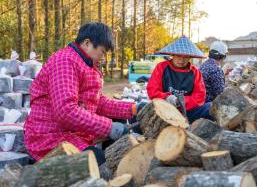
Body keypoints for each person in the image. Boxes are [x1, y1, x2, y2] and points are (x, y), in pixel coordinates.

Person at [24, 22, 137, 166]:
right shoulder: (65, 62)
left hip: (74, 131)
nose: (103, 57)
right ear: (87, 43)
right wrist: (108, 127)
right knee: (96, 161)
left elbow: (99, 102)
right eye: (102, 52)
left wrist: (133, 109)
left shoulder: (88, 64)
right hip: (50, 135)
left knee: (119, 120)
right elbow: (66, 111)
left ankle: (112, 162)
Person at [146, 36, 214, 123]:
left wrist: (180, 102)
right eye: (178, 56)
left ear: (190, 57)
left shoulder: (195, 72)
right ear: (173, 55)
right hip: (164, 111)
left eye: (186, 57)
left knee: (209, 107)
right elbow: (152, 90)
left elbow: (199, 97)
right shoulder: (161, 67)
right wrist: (168, 98)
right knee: (140, 107)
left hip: (187, 112)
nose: (181, 60)